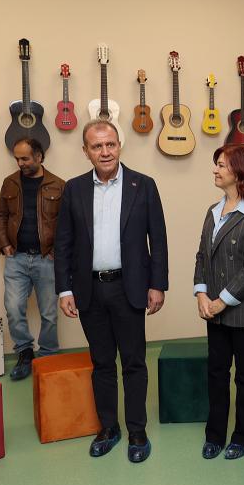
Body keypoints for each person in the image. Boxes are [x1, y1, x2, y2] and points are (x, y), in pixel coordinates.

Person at [55, 120, 168, 464]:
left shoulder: (143, 185)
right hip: (88, 290)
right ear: (86, 151)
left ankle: (137, 431)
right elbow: (63, 244)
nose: (105, 152)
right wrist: (64, 290)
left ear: (119, 146)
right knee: (102, 363)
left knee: (133, 362)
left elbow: (158, 239)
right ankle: (108, 428)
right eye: (97, 146)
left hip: (129, 288)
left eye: (110, 144)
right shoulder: (73, 189)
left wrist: (157, 284)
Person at [193, 145, 244, 460]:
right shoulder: (212, 211)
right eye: (216, 164)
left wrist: (221, 302)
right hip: (213, 308)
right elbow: (202, 256)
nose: (215, 170)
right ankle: (214, 435)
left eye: (222, 165)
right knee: (216, 372)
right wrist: (201, 293)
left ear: (240, 171)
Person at [0, 137, 64, 380]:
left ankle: (48, 357)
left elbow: (67, 224)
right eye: (17, 159)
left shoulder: (59, 185)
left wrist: (57, 251)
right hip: (17, 259)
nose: (20, 163)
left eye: (25, 158)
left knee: (49, 313)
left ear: (39, 156)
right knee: (14, 308)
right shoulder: (10, 183)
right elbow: (1, 215)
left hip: (47, 260)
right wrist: (4, 244)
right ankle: (25, 353)